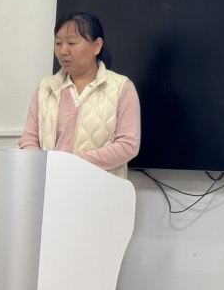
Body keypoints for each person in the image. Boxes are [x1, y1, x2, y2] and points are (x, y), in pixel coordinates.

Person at [19, 12, 141, 179]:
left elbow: (128, 145)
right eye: (58, 43)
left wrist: (75, 163)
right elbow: (29, 141)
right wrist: (43, 169)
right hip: (51, 184)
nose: (63, 50)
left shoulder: (121, 88)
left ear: (96, 46)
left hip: (100, 187)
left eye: (72, 43)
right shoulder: (45, 88)